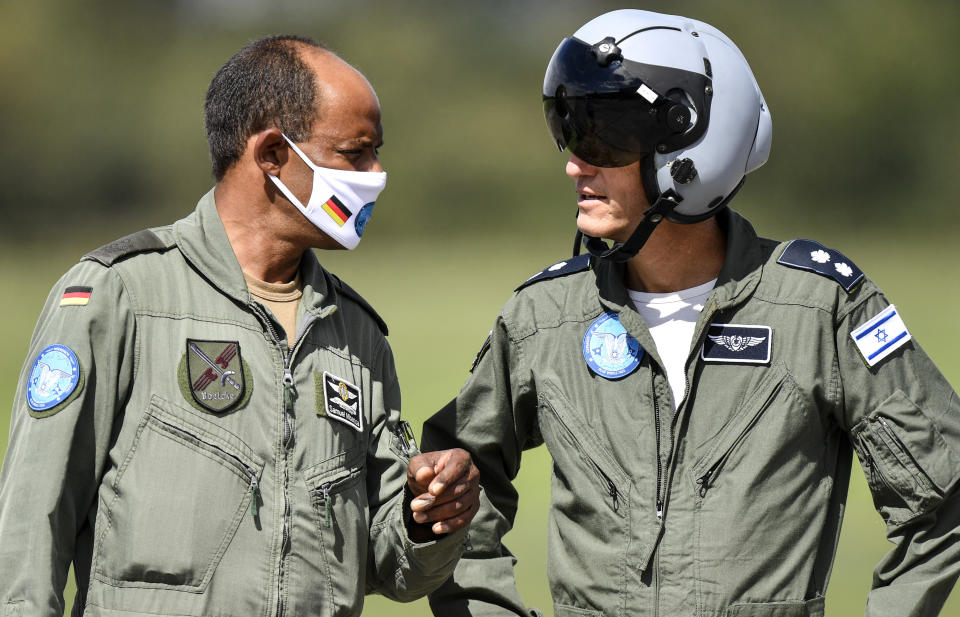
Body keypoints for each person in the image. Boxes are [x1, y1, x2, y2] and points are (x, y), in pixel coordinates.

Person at [422, 9, 960, 617]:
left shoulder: (819, 308)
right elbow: (455, 482)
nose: (575, 163)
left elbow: (945, 494)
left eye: (604, 136)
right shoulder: (542, 317)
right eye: (570, 130)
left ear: (694, 144)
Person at [0, 35, 480, 617]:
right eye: (356, 153)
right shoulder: (117, 294)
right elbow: (32, 522)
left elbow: (389, 568)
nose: (376, 174)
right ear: (272, 155)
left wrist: (425, 515)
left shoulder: (357, 336)